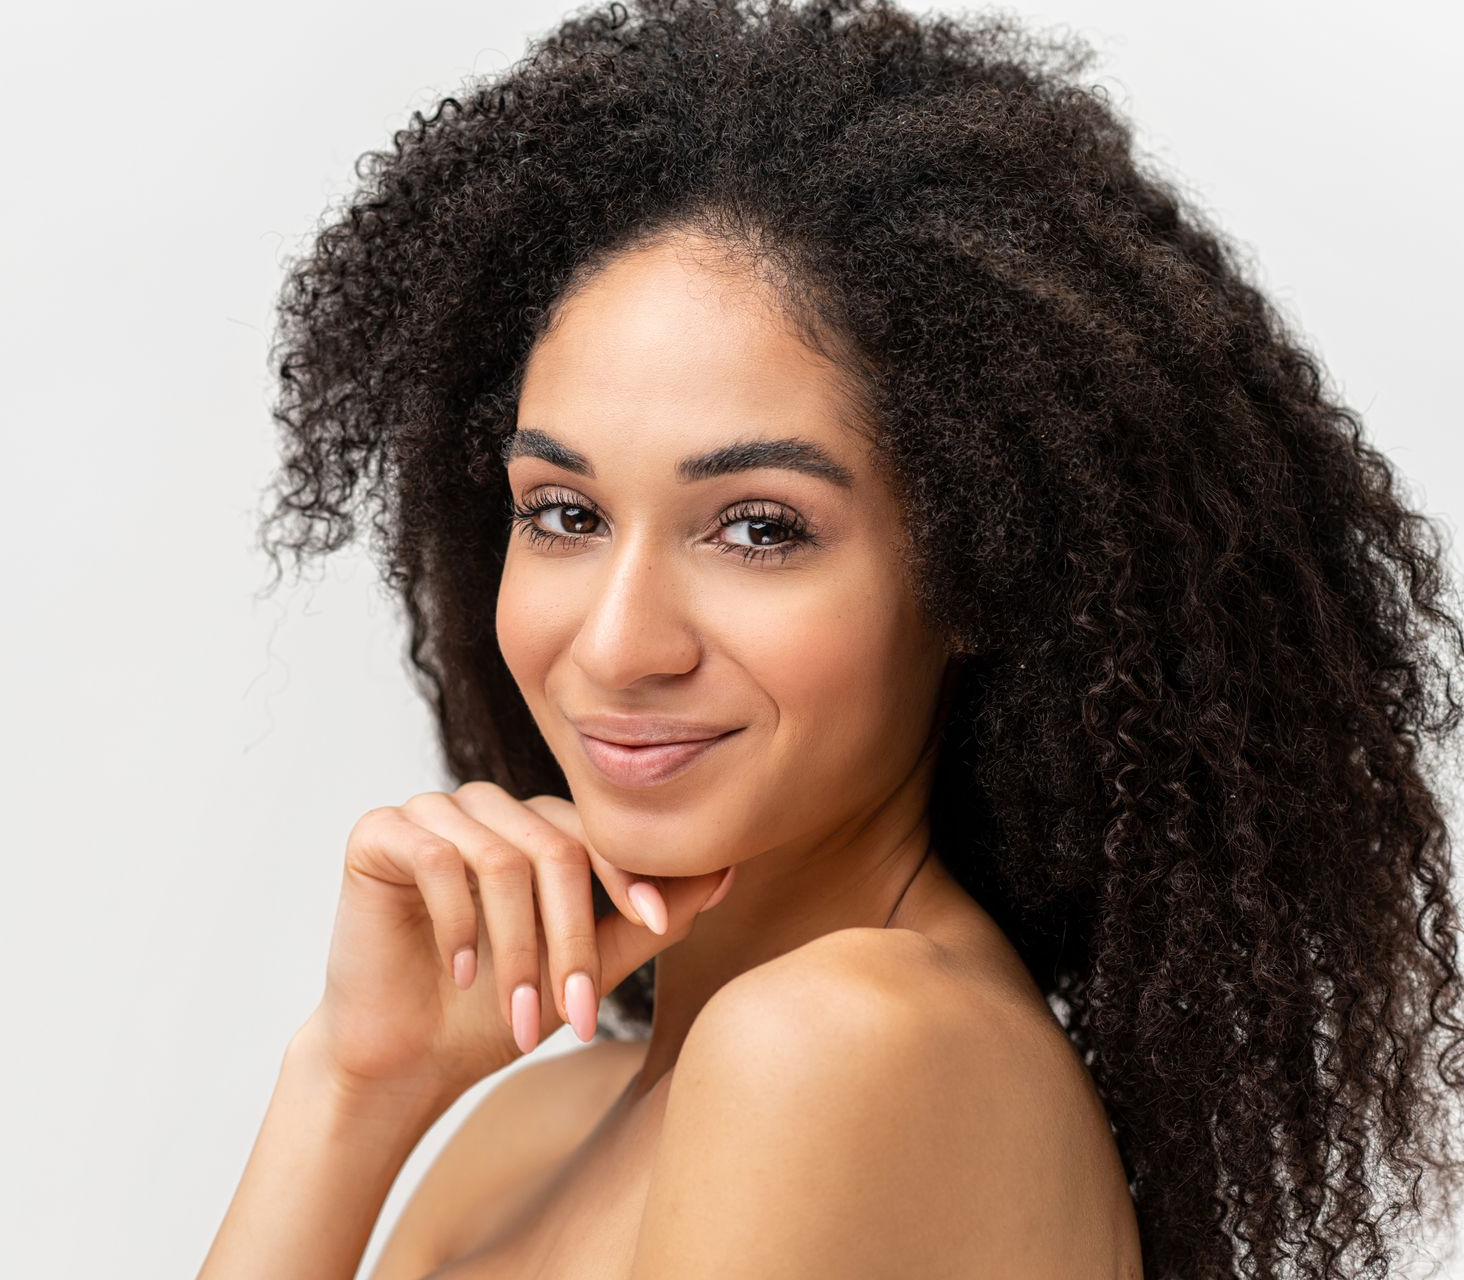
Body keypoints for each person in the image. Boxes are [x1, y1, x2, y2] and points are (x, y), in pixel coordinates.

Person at [198, 1, 1464, 1277]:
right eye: (566, 512)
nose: (621, 643)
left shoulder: (845, 1046)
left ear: (978, 563)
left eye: (758, 528)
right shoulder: (534, 1125)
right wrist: (352, 1084)